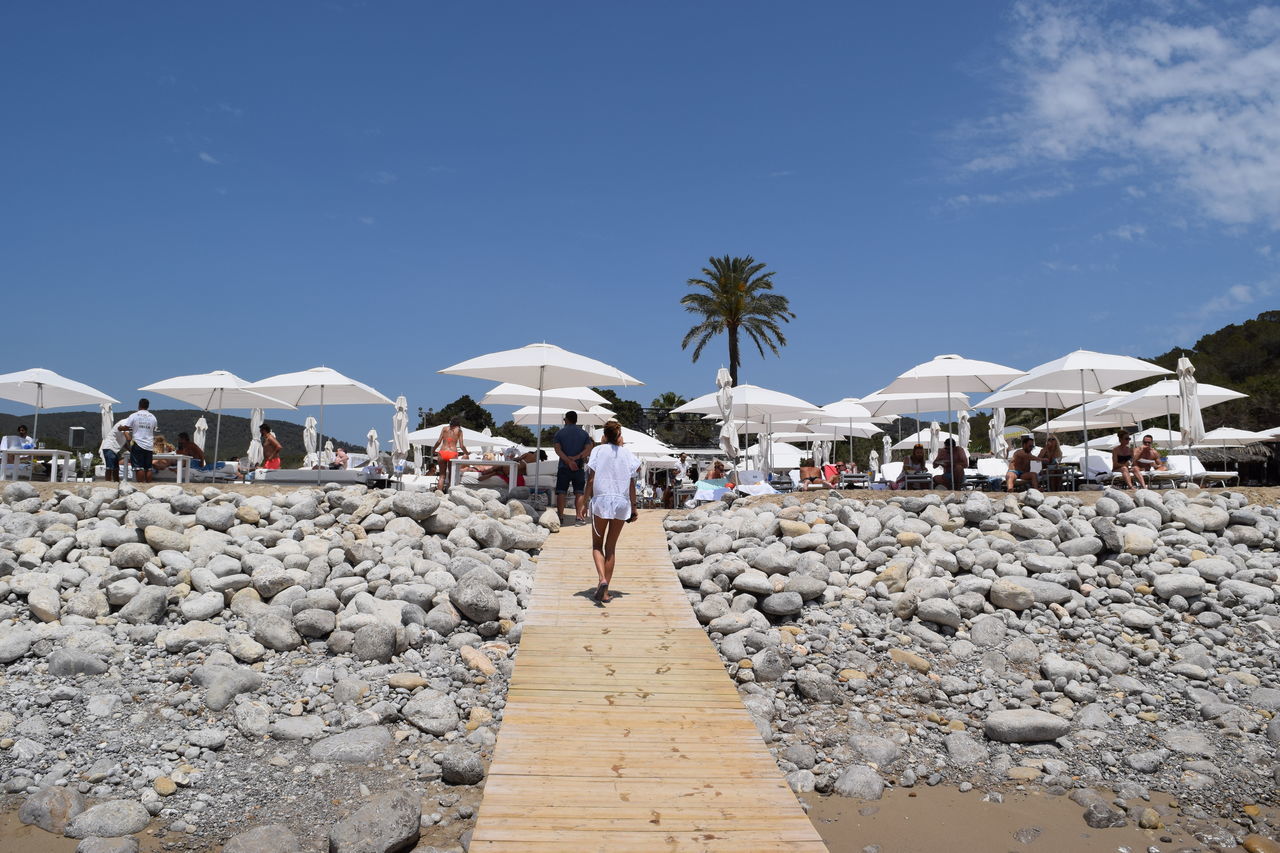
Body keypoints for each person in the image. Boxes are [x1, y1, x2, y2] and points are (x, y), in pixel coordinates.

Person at [583, 420, 639, 604]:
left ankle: (602, 580)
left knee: (597, 545)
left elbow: (591, 480)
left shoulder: (598, 451)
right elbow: (631, 484)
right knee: (611, 547)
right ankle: (605, 593)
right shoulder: (627, 454)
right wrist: (635, 507)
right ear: (619, 436)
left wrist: (584, 501)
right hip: (622, 503)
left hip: (601, 501)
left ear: (604, 436)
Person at [554, 411, 594, 525]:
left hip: (563, 467)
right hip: (579, 467)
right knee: (579, 492)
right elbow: (588, 449)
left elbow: (558, 450)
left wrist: (568, 460)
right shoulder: (584, 434)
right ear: (576, 420)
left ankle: (560, 517)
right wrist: (576, 458)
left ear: (566, 419)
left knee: (561, 492)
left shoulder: (559, 433)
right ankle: (578, 517)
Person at [118, 399, 159, 483]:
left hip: (138, 443)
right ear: (148, 406)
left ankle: (141, 484)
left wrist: (120, 428)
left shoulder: (134, 415)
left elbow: (126, 428)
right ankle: (148, 484)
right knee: (148, 467)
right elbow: (154, 429)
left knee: (138, 467)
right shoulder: (153, 417)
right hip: (149, 444)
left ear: (139, 405)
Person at [432, 418, 466, 491]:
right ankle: (449, 494)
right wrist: (466, 452)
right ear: (458, 424)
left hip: (443, 452)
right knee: (451, 475)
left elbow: (438, 441)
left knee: (442, 475)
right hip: (452, 453)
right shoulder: (459, 431)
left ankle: (439, 494)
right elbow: (461, 446)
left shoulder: (444, 429)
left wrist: (433, 449)